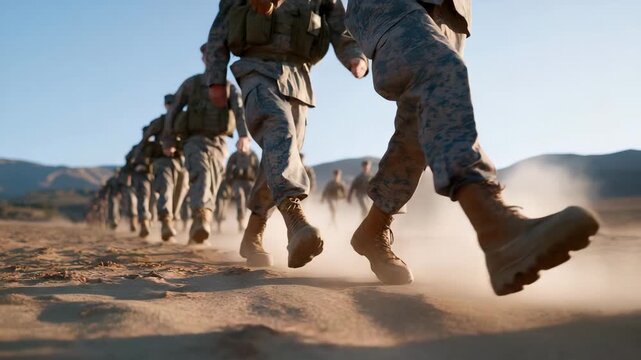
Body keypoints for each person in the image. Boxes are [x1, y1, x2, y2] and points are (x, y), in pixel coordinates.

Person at [342, 0, 600, 294]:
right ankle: (495, 228)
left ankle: (373, 228)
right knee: (439, 72)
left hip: (449, 11)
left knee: (421, 122)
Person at [207, 0, 368, 268]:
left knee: (281, 153)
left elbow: (341, 26)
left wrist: (354, 55)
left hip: (298, 79)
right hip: (256, 69)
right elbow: (218, 34)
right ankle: (296, 224)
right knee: (279, 130)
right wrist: (215, 78)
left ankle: (253, 234)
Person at [162, 44, 249, 245]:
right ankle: (202, 219)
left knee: (213, 183)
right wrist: (168, 140)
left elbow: (239, 110)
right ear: (203, 59)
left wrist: (244, 135)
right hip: (194, 140)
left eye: (217, 56)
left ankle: (198, 227)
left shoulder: (228, 88)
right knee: (201, 173)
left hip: (219, 143)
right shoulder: (191, 84)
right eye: (208, 56)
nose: (212, 59)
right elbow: (173, 111)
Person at [139, 94, 189, 242]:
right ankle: (166, 222)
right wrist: (144, 159)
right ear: (165, 105)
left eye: (172, 103)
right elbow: (145, 139)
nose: (170, 106)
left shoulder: (185, 120)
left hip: (181, 162)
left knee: (179, 193)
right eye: (168, 103)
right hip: (162, 161)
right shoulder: (159, 122)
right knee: (166, 189)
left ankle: (171, 220)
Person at [226, 145, 260, 232]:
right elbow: (228, 169)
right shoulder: (234, 155)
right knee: (240, 197)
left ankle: (246, 220)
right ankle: (240, 221)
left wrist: (258, 182)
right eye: (239, 145)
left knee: (249, 201)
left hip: (250, 182)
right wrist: (229, 181)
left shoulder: (253, 155)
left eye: (243, 144)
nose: (241, 147)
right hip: (237, 181)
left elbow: (258, 169)